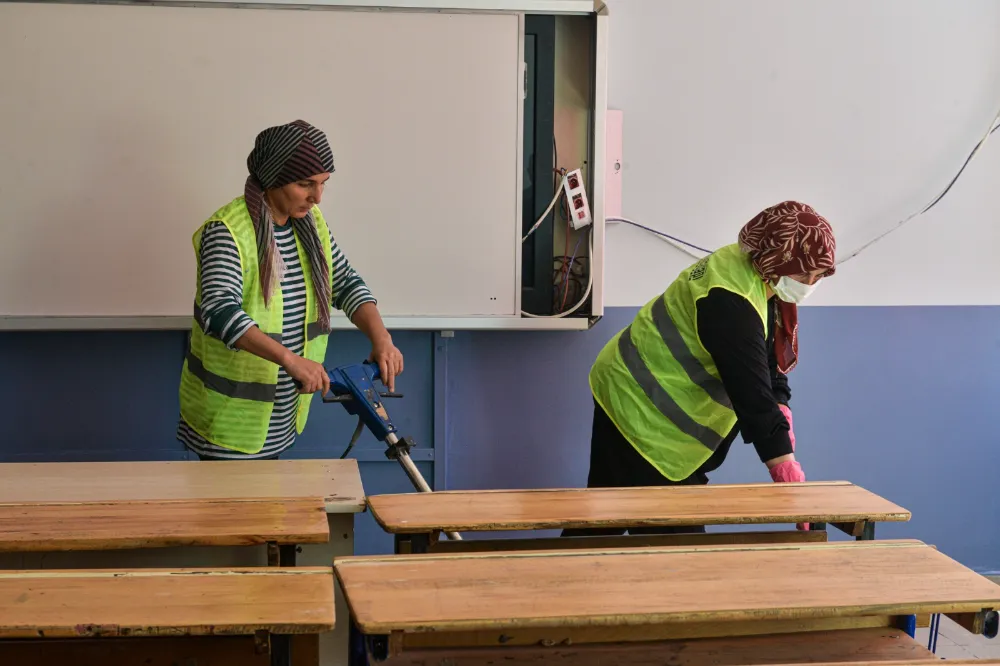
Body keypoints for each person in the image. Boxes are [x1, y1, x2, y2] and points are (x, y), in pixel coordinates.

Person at [563, 200, 836, 536]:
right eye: (802, 273)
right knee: (673, 553)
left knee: (601, 525)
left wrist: (781, 401)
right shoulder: (730, 302)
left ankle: (566, 582)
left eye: (817, 275)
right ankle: (564, 584)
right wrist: (785, 470)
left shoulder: (754, 268)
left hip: (630, 388)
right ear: (776, 260)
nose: (808, 283)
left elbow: (765, 351)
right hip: (641, 409)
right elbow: (751, 396)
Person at [176, 120, 403, 460]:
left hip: (282, 419)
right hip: (229, 423)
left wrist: (381, 337)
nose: (318, 197)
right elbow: (220, 312)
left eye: (324, 184)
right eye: (305, 184)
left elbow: (344, 281)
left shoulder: (311, 225)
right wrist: (289, 360)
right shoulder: (228, 231)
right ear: (273, 178)